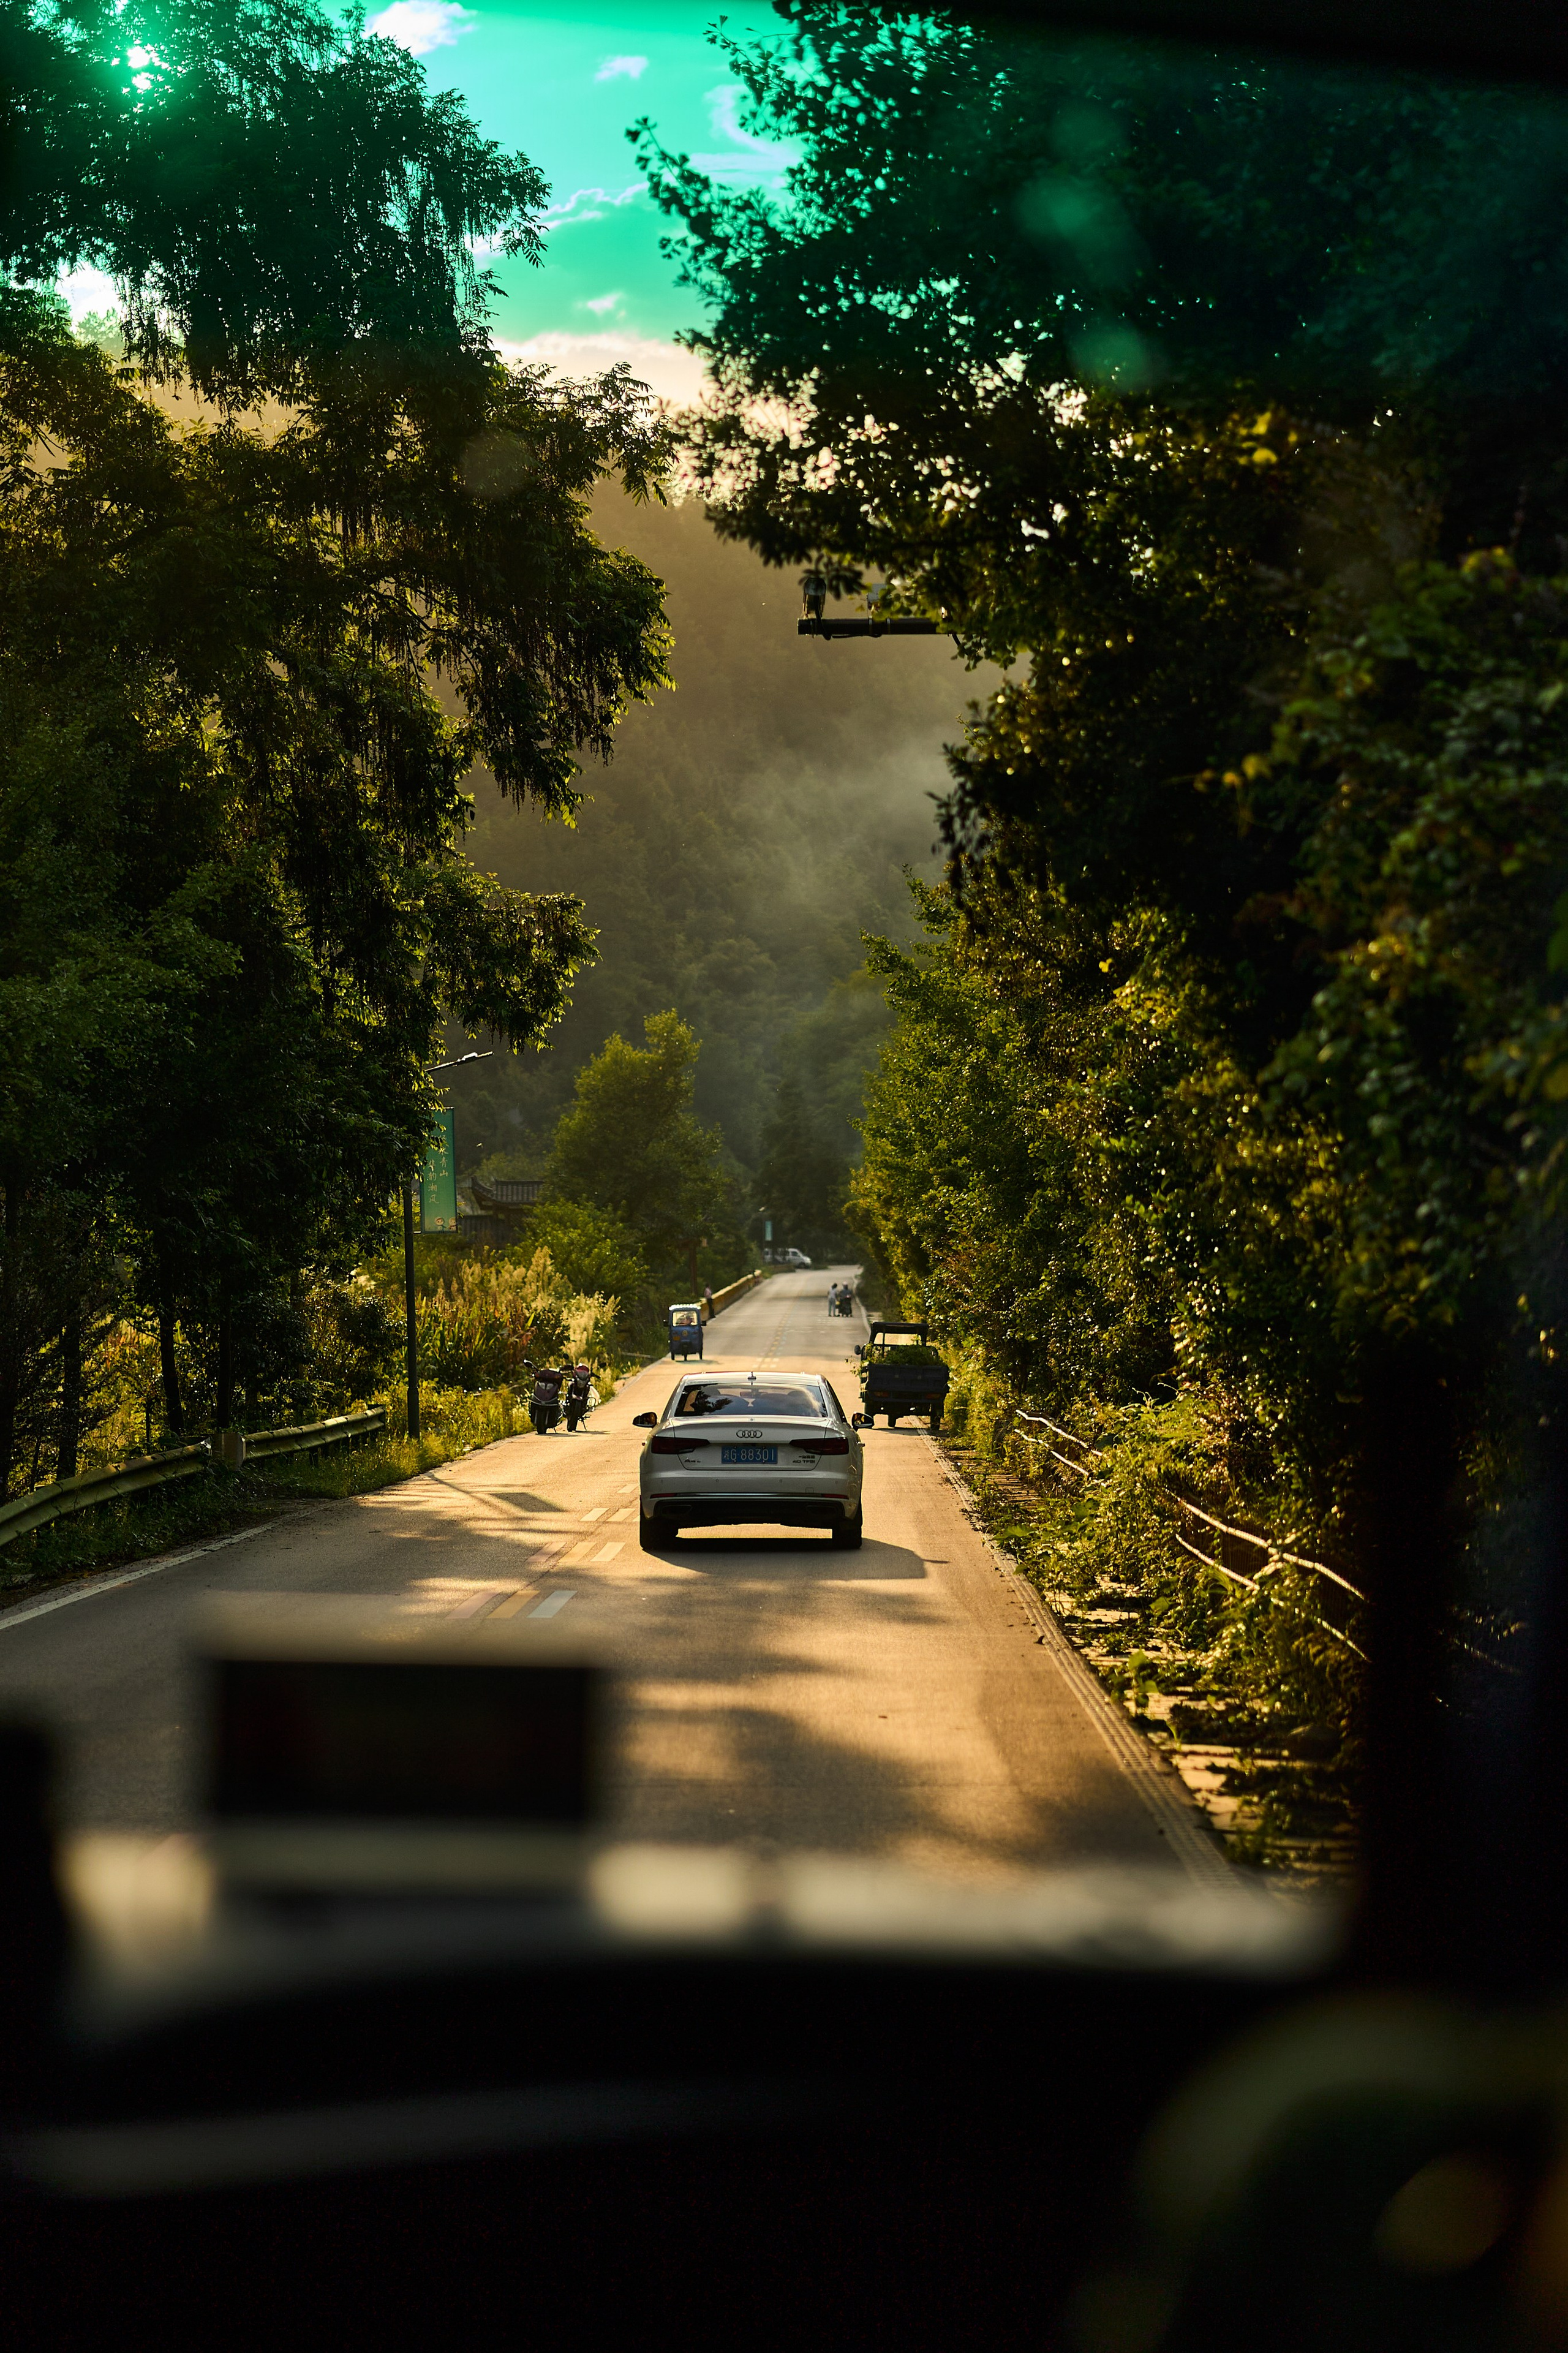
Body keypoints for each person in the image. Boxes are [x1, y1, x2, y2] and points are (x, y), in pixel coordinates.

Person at [565, 1361, 593, 1433]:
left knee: (588, 1388)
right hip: (574, 1388)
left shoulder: (586, 1380)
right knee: (570, 1385)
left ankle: (584, 1405)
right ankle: (567, 1402)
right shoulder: (574, 1380)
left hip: (582, 1392)